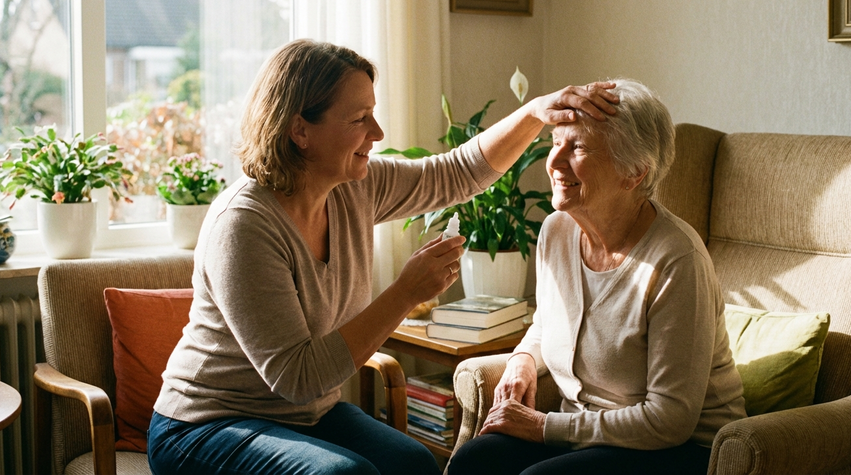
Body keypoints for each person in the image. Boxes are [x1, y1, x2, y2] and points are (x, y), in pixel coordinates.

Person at [146, 39, 620, 475]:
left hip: (305, 417)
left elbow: (458, 173)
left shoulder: (355, 186)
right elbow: (299, 377)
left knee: (413, 464)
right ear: (300, 131)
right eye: (359, 119)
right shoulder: (244, 225)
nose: (378, 131)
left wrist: (535, 113)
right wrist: (406, 292)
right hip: (205, 425)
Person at [447, 79, 747, 475]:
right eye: (556, 142)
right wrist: (521, 361)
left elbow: (669, 419)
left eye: (579, 148)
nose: (554, 163)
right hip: (588, 435)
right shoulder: (556, 231)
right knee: (475, 460)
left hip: (681, 449)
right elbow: (547, 321)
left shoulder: (677, 261)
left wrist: (543, 427)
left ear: (633, 173)